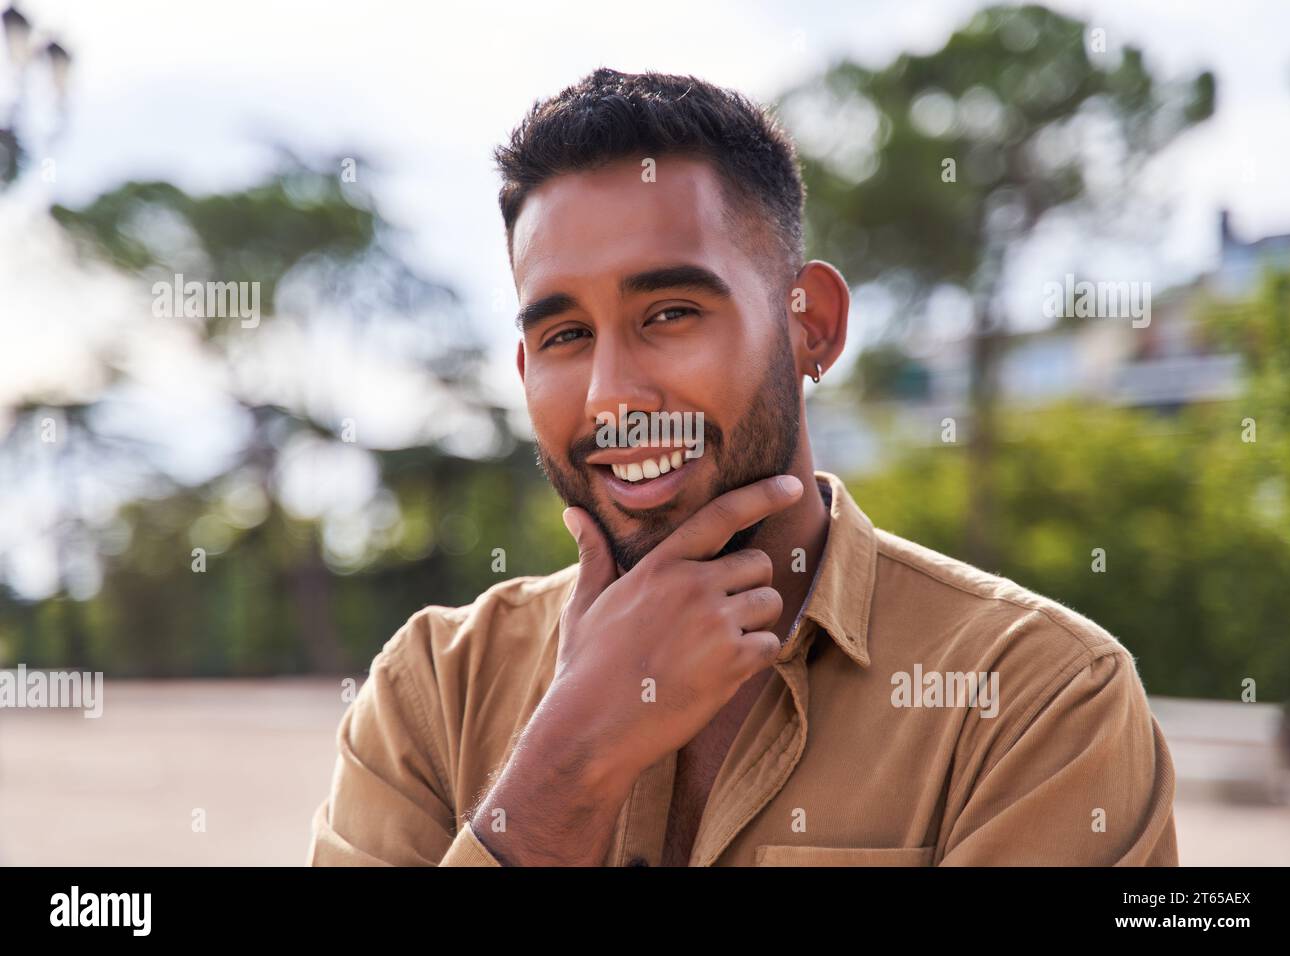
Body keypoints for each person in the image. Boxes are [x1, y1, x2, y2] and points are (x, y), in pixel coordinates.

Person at [307, 68, 1177, 867]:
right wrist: (566, 764)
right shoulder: (430, 689)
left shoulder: (1039, 701)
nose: (613, 397)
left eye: (672, 311)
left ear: (813, 326)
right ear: (527, 370)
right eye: (565, 334)